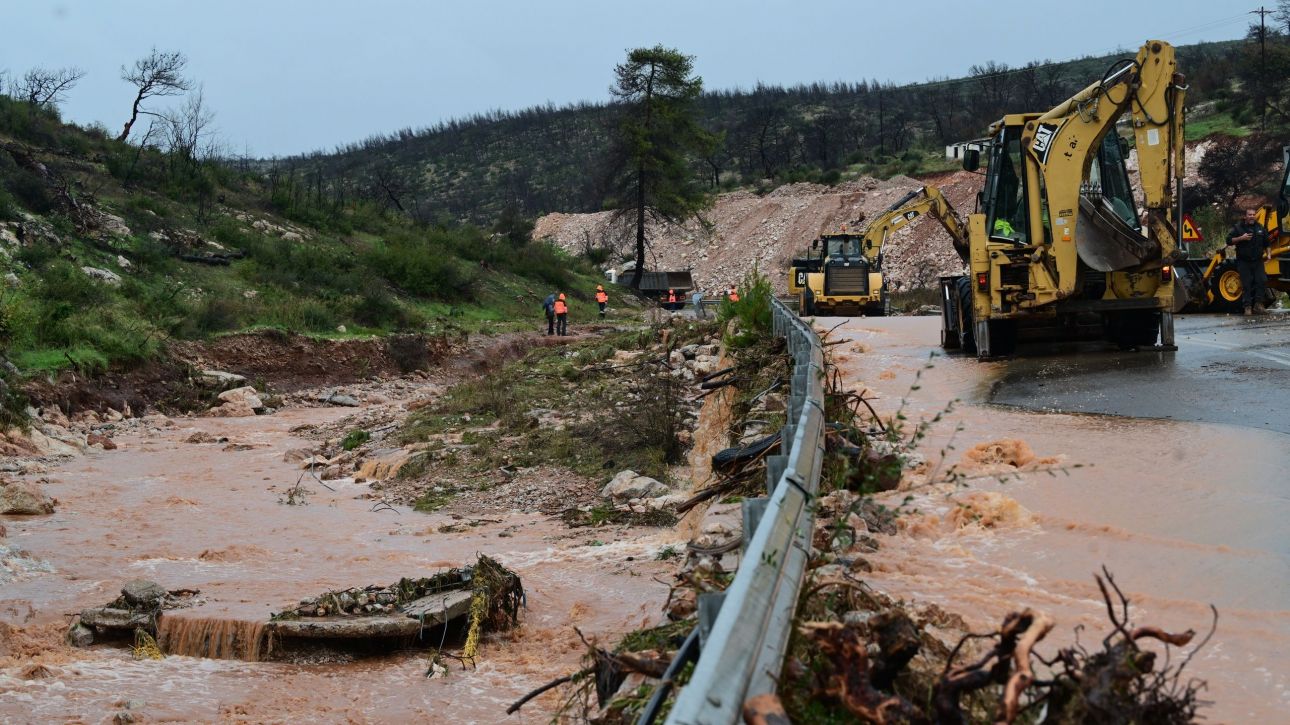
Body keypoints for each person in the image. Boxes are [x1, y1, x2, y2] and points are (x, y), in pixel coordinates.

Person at [1226, 208, 1269, 315]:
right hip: (1244, 261)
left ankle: (1258, 305)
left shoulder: (1260, 228)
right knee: (1246, 284)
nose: (1252, 216)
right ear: (1245, 216)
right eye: (1249, 214)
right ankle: (1247, 307)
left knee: (1262, 281)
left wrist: (1269, 254)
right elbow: (1228, 241)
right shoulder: (1238, 227)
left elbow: (1267, 243)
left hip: (1258, 261)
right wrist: (1241, 238)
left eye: (1253, 214)